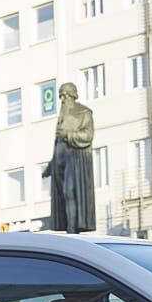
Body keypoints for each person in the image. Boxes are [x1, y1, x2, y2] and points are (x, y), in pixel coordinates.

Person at [43, 81, 96, 233]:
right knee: (62, 196)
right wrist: (50, 165)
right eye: (61, 96)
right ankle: (68, 226)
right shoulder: (61, 117)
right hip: (60, 162)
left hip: (75, 159)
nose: (64, 99)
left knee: (69, 191)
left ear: (73, 95)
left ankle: (72, 229)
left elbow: (88, 135)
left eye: (66, 95)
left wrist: (68, 135)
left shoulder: (83, 112)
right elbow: (57, 143)